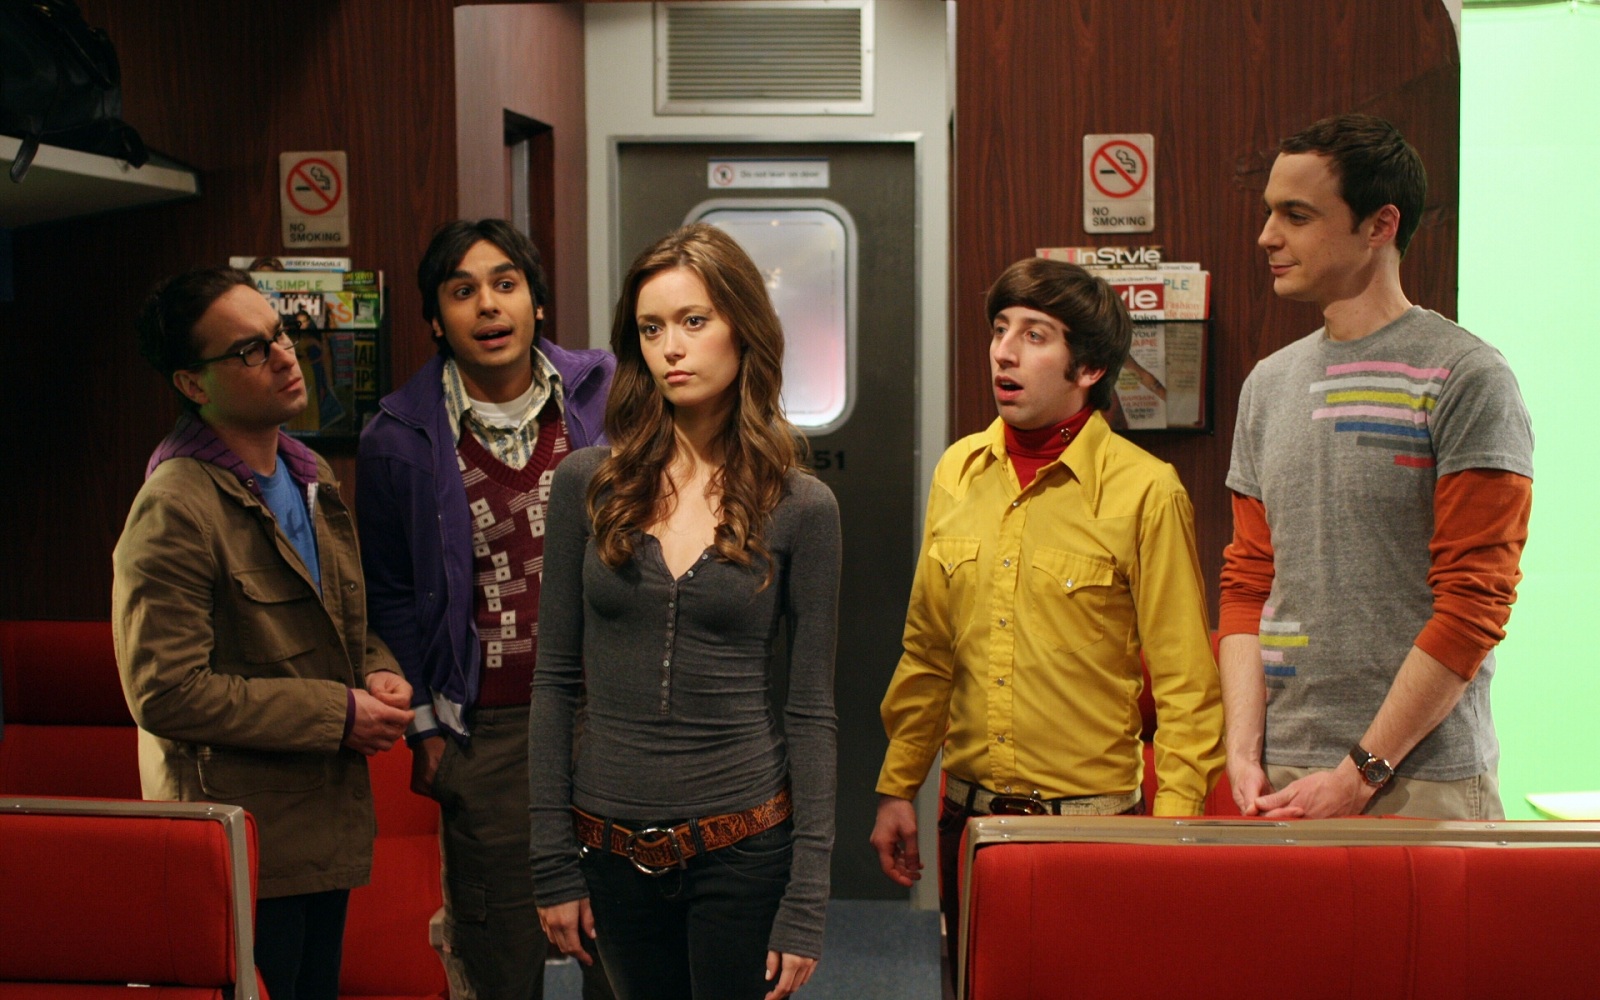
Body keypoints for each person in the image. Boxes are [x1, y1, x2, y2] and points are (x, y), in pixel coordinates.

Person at [870, 257, 1225, 964]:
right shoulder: (958, 470)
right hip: (969, 823)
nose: (1003, 352)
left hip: (1094, 829)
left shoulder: (1146, 491)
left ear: (1087, 367)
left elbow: (1187, 684)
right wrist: (897, 786)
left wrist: (1175, 830)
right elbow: (930, 651)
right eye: (1000, 329)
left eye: (1034, 335)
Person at [528, 223, 841, 1000]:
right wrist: (551, 860)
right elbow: (555, 682)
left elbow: (811, 712)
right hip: (608, 844)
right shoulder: (587, 483)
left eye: (694, 321)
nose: (671, 347)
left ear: (744, 330)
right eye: (651, 328)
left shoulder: (803, 506)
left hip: (744, 841)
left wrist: (808, 896)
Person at [1220, 113, 1534, 820]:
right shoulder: (1268, 384)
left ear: (1379, 225)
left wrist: (1361, 772)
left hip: (1419, 779)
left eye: (1296, 215)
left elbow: (1474, 603)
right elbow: (1249, 582)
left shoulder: (1466, 375)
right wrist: (1242, 748)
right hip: (1282, 776)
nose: (1267, 236)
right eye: (1269, 212)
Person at [114, 267, 414, 1000]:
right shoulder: (175, 506)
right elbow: (165, 693)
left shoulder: (308, 475)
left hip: (323, 829)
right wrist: (339, 712)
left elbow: (342, 624)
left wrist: (376, 670)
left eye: (280, 335)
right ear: (192, 384)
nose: (284, 357)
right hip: (240, 844)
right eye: (250, 350)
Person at [356, 219, 615, 1000]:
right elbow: (391, 593)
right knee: (500, 959)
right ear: (437, 320)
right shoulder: (397, 436)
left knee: (626, 953)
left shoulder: (606, 395)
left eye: (506, 284)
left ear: (537, 302)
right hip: (490, 730)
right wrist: (428, 732)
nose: (489, 306)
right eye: (462, 291)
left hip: (612, 716)